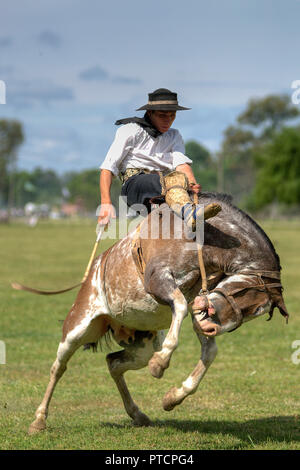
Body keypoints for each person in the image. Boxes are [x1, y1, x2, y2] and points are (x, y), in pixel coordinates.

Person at [97, 88, 202, 229]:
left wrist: (192, 185)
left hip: (168, 188)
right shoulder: (130, 130)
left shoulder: (174, 136)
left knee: (186, 186)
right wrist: (106, 203)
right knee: (166, 181)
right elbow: (108, 168)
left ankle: (192, 213)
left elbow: (182, 165)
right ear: (149, 113)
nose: (168, 120)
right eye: (162, 115)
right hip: (135, 186)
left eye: (172, 115)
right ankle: (190, 212)